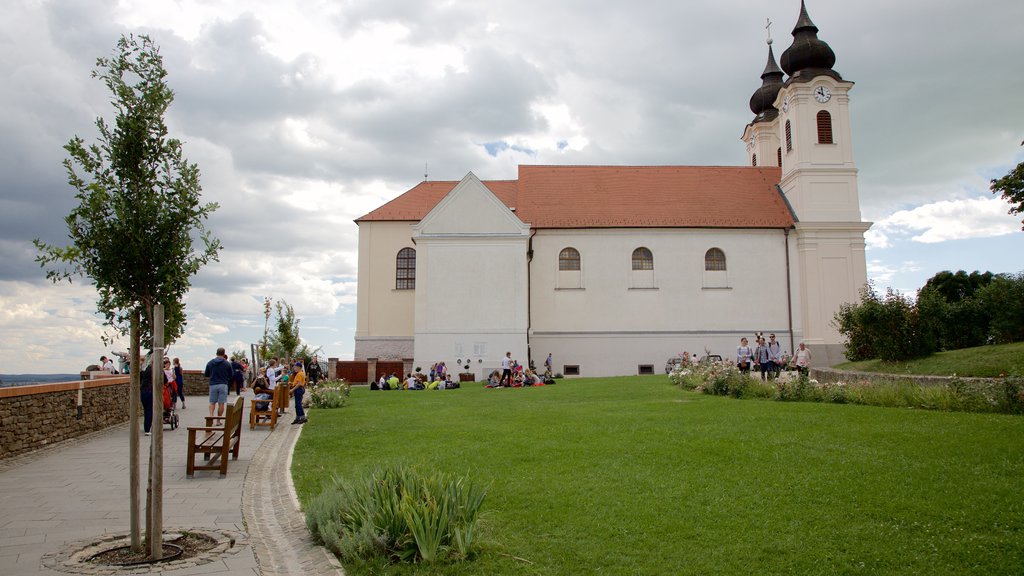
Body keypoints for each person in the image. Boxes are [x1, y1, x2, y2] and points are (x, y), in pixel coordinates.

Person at [204, 347, 233, 418]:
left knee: (212, 402)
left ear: (216, 353)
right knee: (221, 403)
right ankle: (218, 420)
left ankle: (211, 416)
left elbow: (206, 374)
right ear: (224, 354)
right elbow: (231, 375)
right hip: (223, 384)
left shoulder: (210, 363)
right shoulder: (227, 364)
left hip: (213, 384)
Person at [140, 360, 154, 436]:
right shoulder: (153, 370)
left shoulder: (144, 370)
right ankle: (147, 429)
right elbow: (165, 379)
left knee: (146, 410)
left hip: (143, 391)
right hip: (149, 390)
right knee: (149, 410)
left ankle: (146, 427)